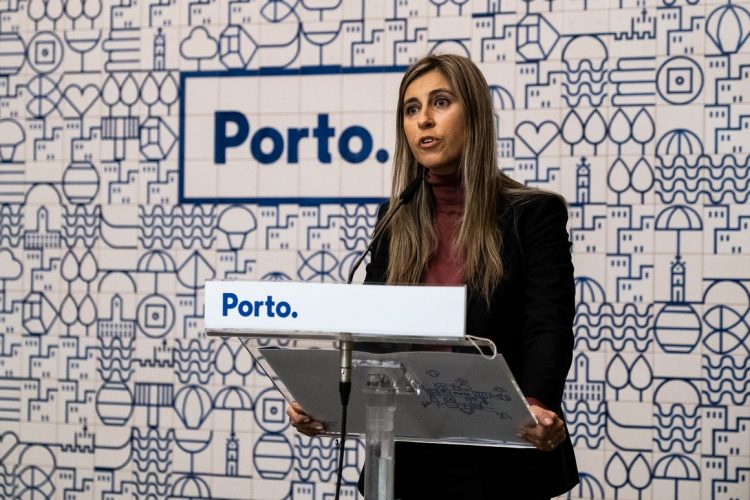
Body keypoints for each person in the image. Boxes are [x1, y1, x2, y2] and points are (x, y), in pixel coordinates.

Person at [287, 53, 579, 499]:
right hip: (407, 457)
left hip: (500, 455)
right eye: (411, 108)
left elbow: (546, 325)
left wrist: (536, 407)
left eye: (440, 102)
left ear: (474, 114)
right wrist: (327, 399)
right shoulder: (395, 219)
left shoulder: (533, 214)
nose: (424, 119)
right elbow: (373, 334)